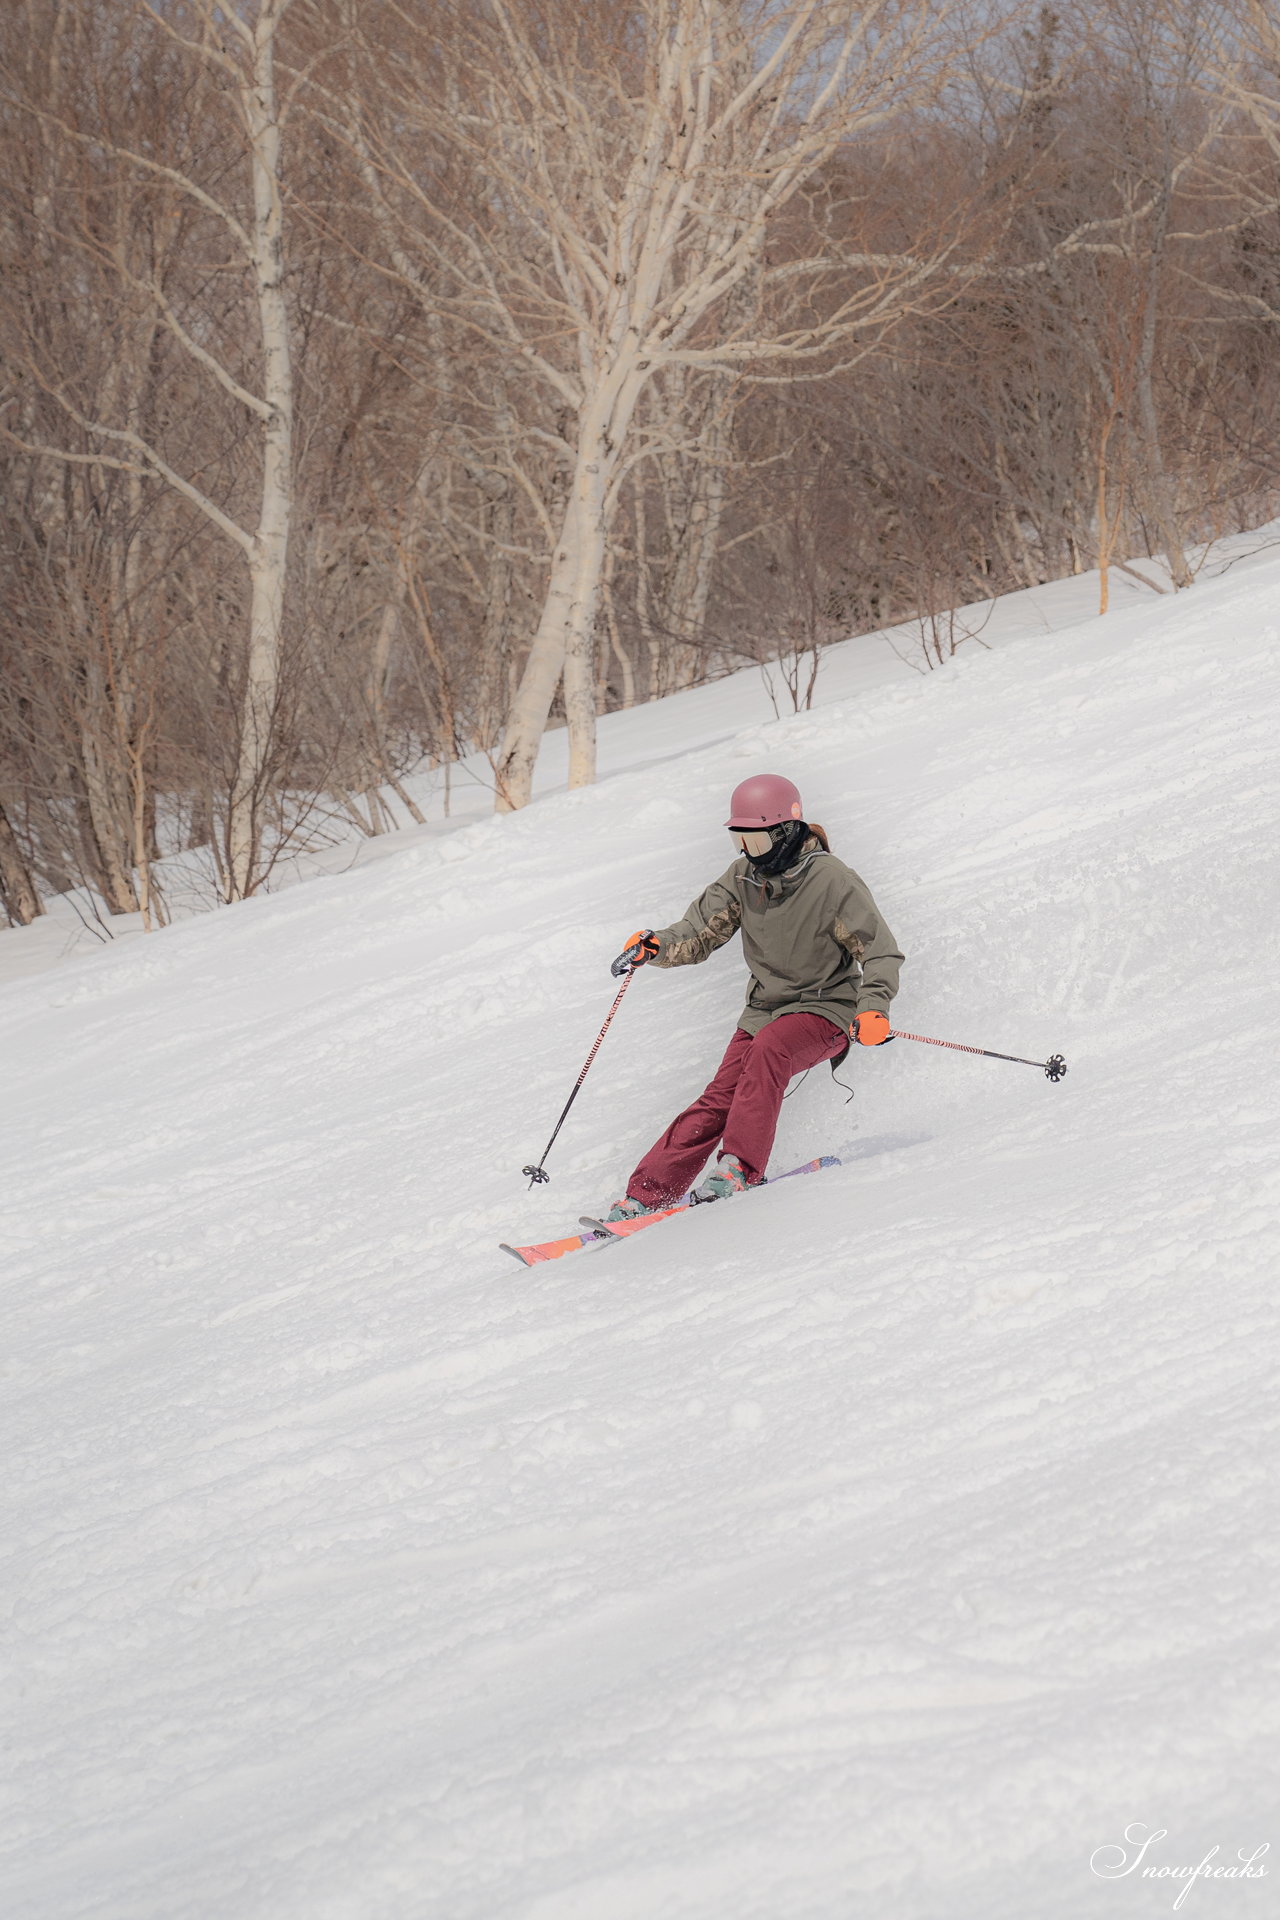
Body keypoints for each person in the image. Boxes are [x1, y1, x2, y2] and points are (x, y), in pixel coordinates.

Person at [605, 774, 904, 1219]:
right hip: (765, 1008)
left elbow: (879, 951)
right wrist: (657, 945)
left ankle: (740, 1168)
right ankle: (646, 1196)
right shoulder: (743, 877)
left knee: (769, 1052)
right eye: (739, 841)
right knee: (720, 1096)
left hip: (828, 1007)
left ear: (786, 831)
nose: (747, 852)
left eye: (756, 842)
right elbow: (699, 932)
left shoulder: (831, 880)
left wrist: (874, 1007)